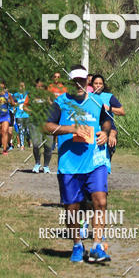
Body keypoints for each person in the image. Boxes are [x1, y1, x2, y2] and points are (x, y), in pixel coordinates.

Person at [44, 66, 113, 264]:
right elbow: (47, 126)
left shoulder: (96, 101)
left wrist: (105, 133)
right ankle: (77, 244)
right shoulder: (61, 102)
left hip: (95, 161)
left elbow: (106, 121)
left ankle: (97, 246)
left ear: (87, 82)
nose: (79, 84)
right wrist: (71, 128)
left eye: (82, 81)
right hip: (69, 164)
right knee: (72, 207)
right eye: (75, 81)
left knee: (100, 201)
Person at [26, 78, 54, 173]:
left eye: (42, 86)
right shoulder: (31, 95)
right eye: (38, 86)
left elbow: (55, 106)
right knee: (36, 144)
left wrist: (48, 101)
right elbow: (25, 106)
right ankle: (37, 163)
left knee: (48, 146)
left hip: (48, 122)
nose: (40, 88)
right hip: (35, 122)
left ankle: (46, 166)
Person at [91, 73, 124, 152]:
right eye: (96, 83)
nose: (98, 85)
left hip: (109, 128)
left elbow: (122, 111)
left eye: (100, 83)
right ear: (92, 85)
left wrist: (109, 108)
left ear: (103, 85)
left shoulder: (109, 96)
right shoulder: (88, 97)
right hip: (93, 128)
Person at [14, 81, 30, 149]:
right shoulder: (15, 95)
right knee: (21, 130)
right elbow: (13, 103)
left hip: (26, 115)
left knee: (27, 131)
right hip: (18, 115)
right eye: (20, 86)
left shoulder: (27, 94)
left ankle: (29, 141)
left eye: (23, 86)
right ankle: (22, 145)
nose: (22, 87)